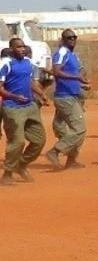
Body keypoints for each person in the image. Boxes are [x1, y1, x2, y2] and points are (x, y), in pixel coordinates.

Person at [1, 38, 48, 184]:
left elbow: (30, 82)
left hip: (30, 106)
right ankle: (7, 174)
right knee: (18, 142)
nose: (22, 49)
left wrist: (41, 94)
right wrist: (14, 96)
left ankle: (21, 165)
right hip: (12, 108)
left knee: (39, 140)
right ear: (12, 49)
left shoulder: (28, 63)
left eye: (23, 46)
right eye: (19, 47)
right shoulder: (6, 64)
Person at [47, 29, 89, 170]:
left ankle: (71, 160)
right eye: (69, 37)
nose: (72, 40)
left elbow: (70, 74)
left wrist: (81, 84)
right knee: (79, 129)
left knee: (71, 129)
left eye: (74, 37)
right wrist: (77, 77)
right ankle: (55, 151)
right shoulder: (62, 53)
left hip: (72, 95)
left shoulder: (72, 55)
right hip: (65, 97)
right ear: (63, 39)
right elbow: (56, 71)